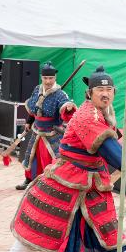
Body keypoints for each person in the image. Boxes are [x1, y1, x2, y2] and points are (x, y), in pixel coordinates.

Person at [0, 65, 126, 252]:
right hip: (65, 181)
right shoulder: (88, 116)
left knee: (112, 231)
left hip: (94, 185)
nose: (105, 94)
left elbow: (112, 145)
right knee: (38, 226)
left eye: (109, 89)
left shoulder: (103, 113)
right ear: (90, 93)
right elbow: (109, 150)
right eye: (100, 90)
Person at [15, 61, 77, 190]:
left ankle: (51, 183)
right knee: (32, 157)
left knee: (52, 159)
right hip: (37, 130)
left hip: (52, 133)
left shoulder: (60, 94)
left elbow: (65, 105)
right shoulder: (37, 89)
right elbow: (34, 107)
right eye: (45, 78)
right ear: (41, 78)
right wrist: (29, 122)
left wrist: (68, 107)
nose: (48, 81)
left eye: (51, 78)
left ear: (55, 78)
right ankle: (29, 180)